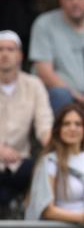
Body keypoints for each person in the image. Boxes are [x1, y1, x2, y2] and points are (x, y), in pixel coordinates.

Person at [25, 104, 84, 228]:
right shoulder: (50, 162)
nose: (72, 128)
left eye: (78, 124)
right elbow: (46, 210)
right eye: (66, 124)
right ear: (58, 129)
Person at [0, 30, 51, 216]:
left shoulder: (34, 85)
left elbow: (44, 123)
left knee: (39, 168)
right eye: (0, 49)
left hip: (20, 163)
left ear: (20, 55)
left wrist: (53, 145)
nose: (4, 54)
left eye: (10, 49)